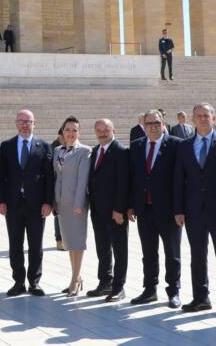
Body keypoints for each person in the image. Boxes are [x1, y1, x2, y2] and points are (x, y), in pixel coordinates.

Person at [173, 102, 216, 318]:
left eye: (206, 115)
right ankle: (201, 297)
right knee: (197, 256)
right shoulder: (184, 146)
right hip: (193, 210)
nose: (202, 119)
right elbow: (178, 180)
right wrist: (179, 209)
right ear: (192, 120)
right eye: (198, 116)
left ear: (214, 118)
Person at [0, 109, 55, 296]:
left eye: (28, 121)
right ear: (16, 123)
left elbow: (50, 178)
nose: (25, 125)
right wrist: (0, 201)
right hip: (13, 204)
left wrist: (48, 202)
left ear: (34, 123)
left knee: (36, 245)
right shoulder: (7, 146)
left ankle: (34, 282)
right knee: (15, 244)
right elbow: (0, 176)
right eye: (21, 121)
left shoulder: (43, 146)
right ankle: (18, 282)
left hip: (37, 205)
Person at [128, 109, 185, 307]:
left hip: (169, 210)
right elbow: (132, 177)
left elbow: (180, 179)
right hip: (145, 209)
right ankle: (150, 289)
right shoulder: (136, 146)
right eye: (149, 123)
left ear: (163, 124)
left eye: (156, 123)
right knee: (149, 252)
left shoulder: (176, 145)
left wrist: (179, 209)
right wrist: (131, 206)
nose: (152, 127)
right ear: (143, 125)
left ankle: (173, 291)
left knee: (172, 252)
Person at [87, 119, 129, 302]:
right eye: (99, 130)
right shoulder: (95, 151)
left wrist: (119, 209)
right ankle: (105, 282)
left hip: (115, 212)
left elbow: (124, 183)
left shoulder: (121, 151)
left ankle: (119, 287)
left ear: (114, 130)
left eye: (106, 130)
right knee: (102, 248)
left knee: (119, 250)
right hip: (97, 210)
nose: (102, 133)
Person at [52, 116, 91, 296]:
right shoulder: (58, 151)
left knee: (78, 241)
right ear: (62, 131)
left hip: (76, 204)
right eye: (68, 129)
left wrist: (78, 204)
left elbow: (83, 180)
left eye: (75, 130)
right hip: (62, 203)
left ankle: (75, 279)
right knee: (69, 242)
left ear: (79, 132)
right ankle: (76, 275)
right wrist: (55, 201)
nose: (71, 133)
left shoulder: (84, 151)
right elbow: (56, 177)